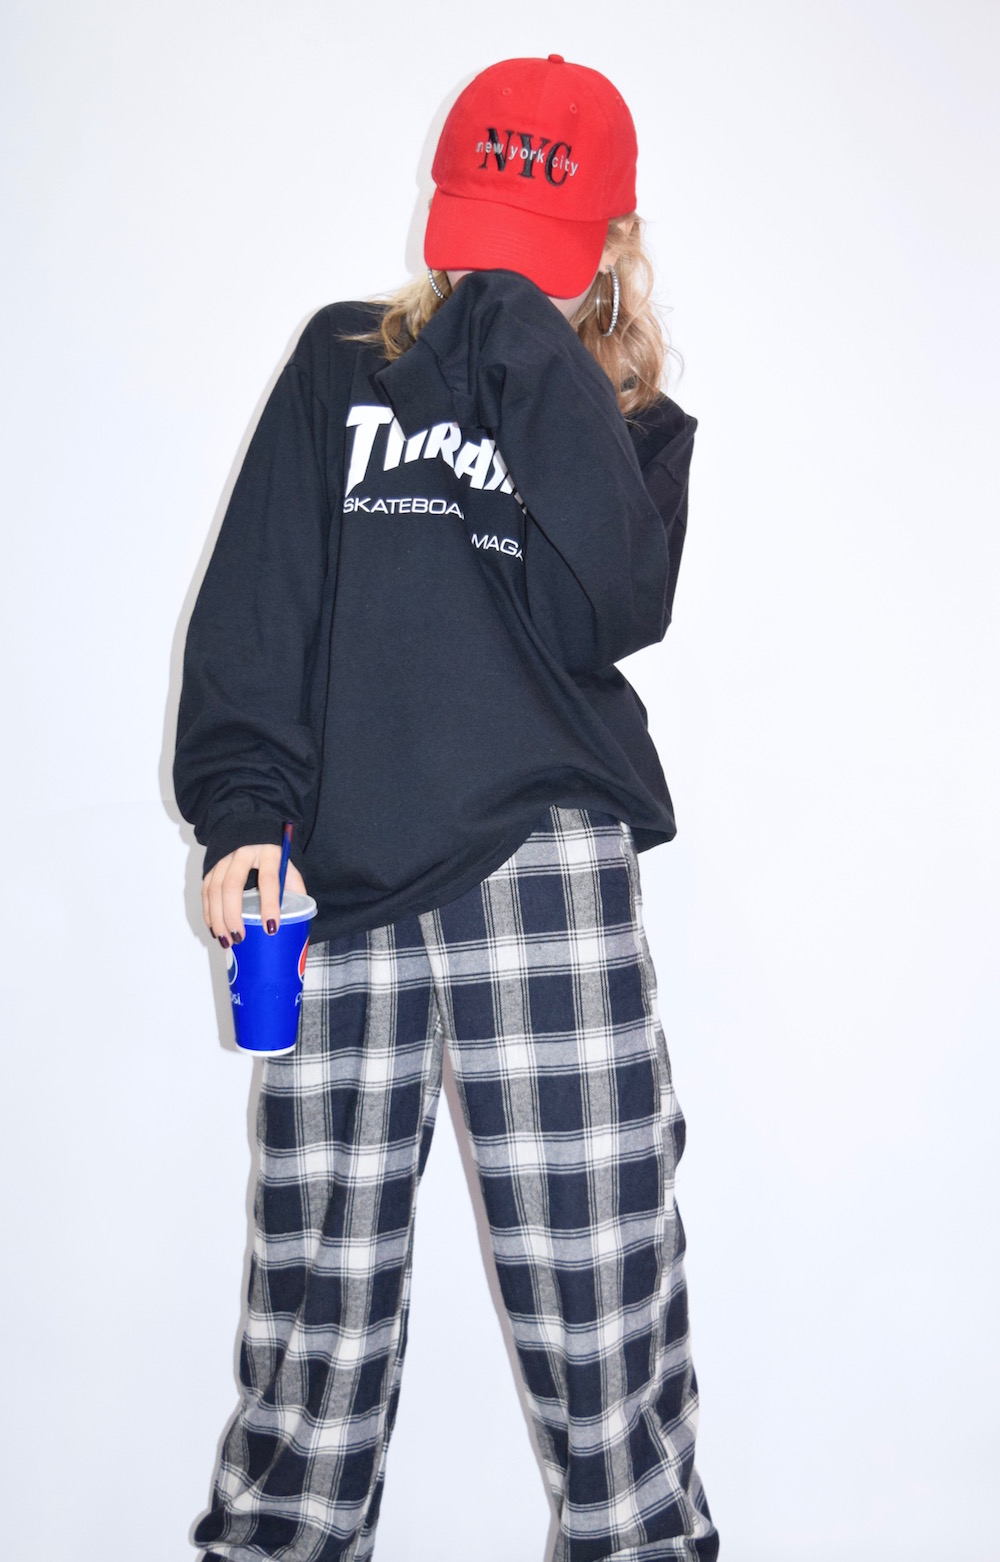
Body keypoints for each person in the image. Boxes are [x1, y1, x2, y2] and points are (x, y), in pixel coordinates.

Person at [173, 51, 718, 1562]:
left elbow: (612, 604)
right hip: (337, 883)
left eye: (541, 252)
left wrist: (528, 344)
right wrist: (243, 811)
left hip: (546, 871)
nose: (502, 279)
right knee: (315, 1326)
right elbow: (265, 600)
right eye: (487, 244)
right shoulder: (342, 362)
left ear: (612, 245)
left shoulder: (633, 423)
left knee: (603, 1306)